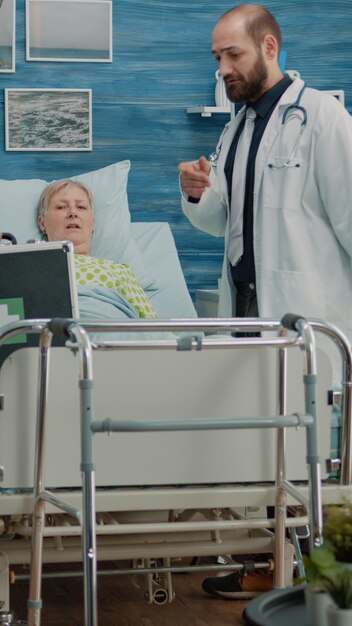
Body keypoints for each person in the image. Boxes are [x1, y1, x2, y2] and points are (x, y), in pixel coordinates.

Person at [178, 3, 352, 598]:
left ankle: (326, 581)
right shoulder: (237, 127)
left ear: (269, 47)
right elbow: (224, 222)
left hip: (308, 316)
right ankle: (268, 566)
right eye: (217, 58)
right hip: (248, 312)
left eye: (234, 55)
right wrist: (198, 193)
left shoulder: (324, 120)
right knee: (261, 446)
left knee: (312, 453)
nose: (224, 68)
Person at [37, 179, 158, 320]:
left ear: (93, 223)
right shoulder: (30, 269)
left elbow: (155, 327)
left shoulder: (119, 272)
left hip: (112, 332)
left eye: (81, 207)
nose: (72, 213)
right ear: (42, 223)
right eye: (61, 207)